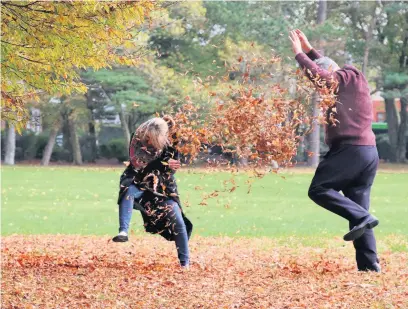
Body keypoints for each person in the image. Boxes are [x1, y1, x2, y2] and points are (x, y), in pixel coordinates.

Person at [289, 29, 381, 272]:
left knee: (319, 189)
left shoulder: (350, 75)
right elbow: (326, 69)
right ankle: (369, 267)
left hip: (351, 151)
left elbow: (324, 74)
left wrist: (300, 55)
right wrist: (311, 51)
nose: (325, 92)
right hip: (367, 153)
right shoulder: (347, 83)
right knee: (359, 211)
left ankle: (363, 219)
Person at [112, 116, 192, 268]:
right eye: (148, 138)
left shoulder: (172, 140)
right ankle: (123, 231)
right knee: (128, 192)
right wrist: (162, 164)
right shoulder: (138, 138)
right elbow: (140, 165)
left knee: (177, 219)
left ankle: (185, 263)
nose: (149, 142)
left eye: (153, 140)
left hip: (162, 186)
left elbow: (170, 170)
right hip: (138, 180)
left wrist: (171, 165)